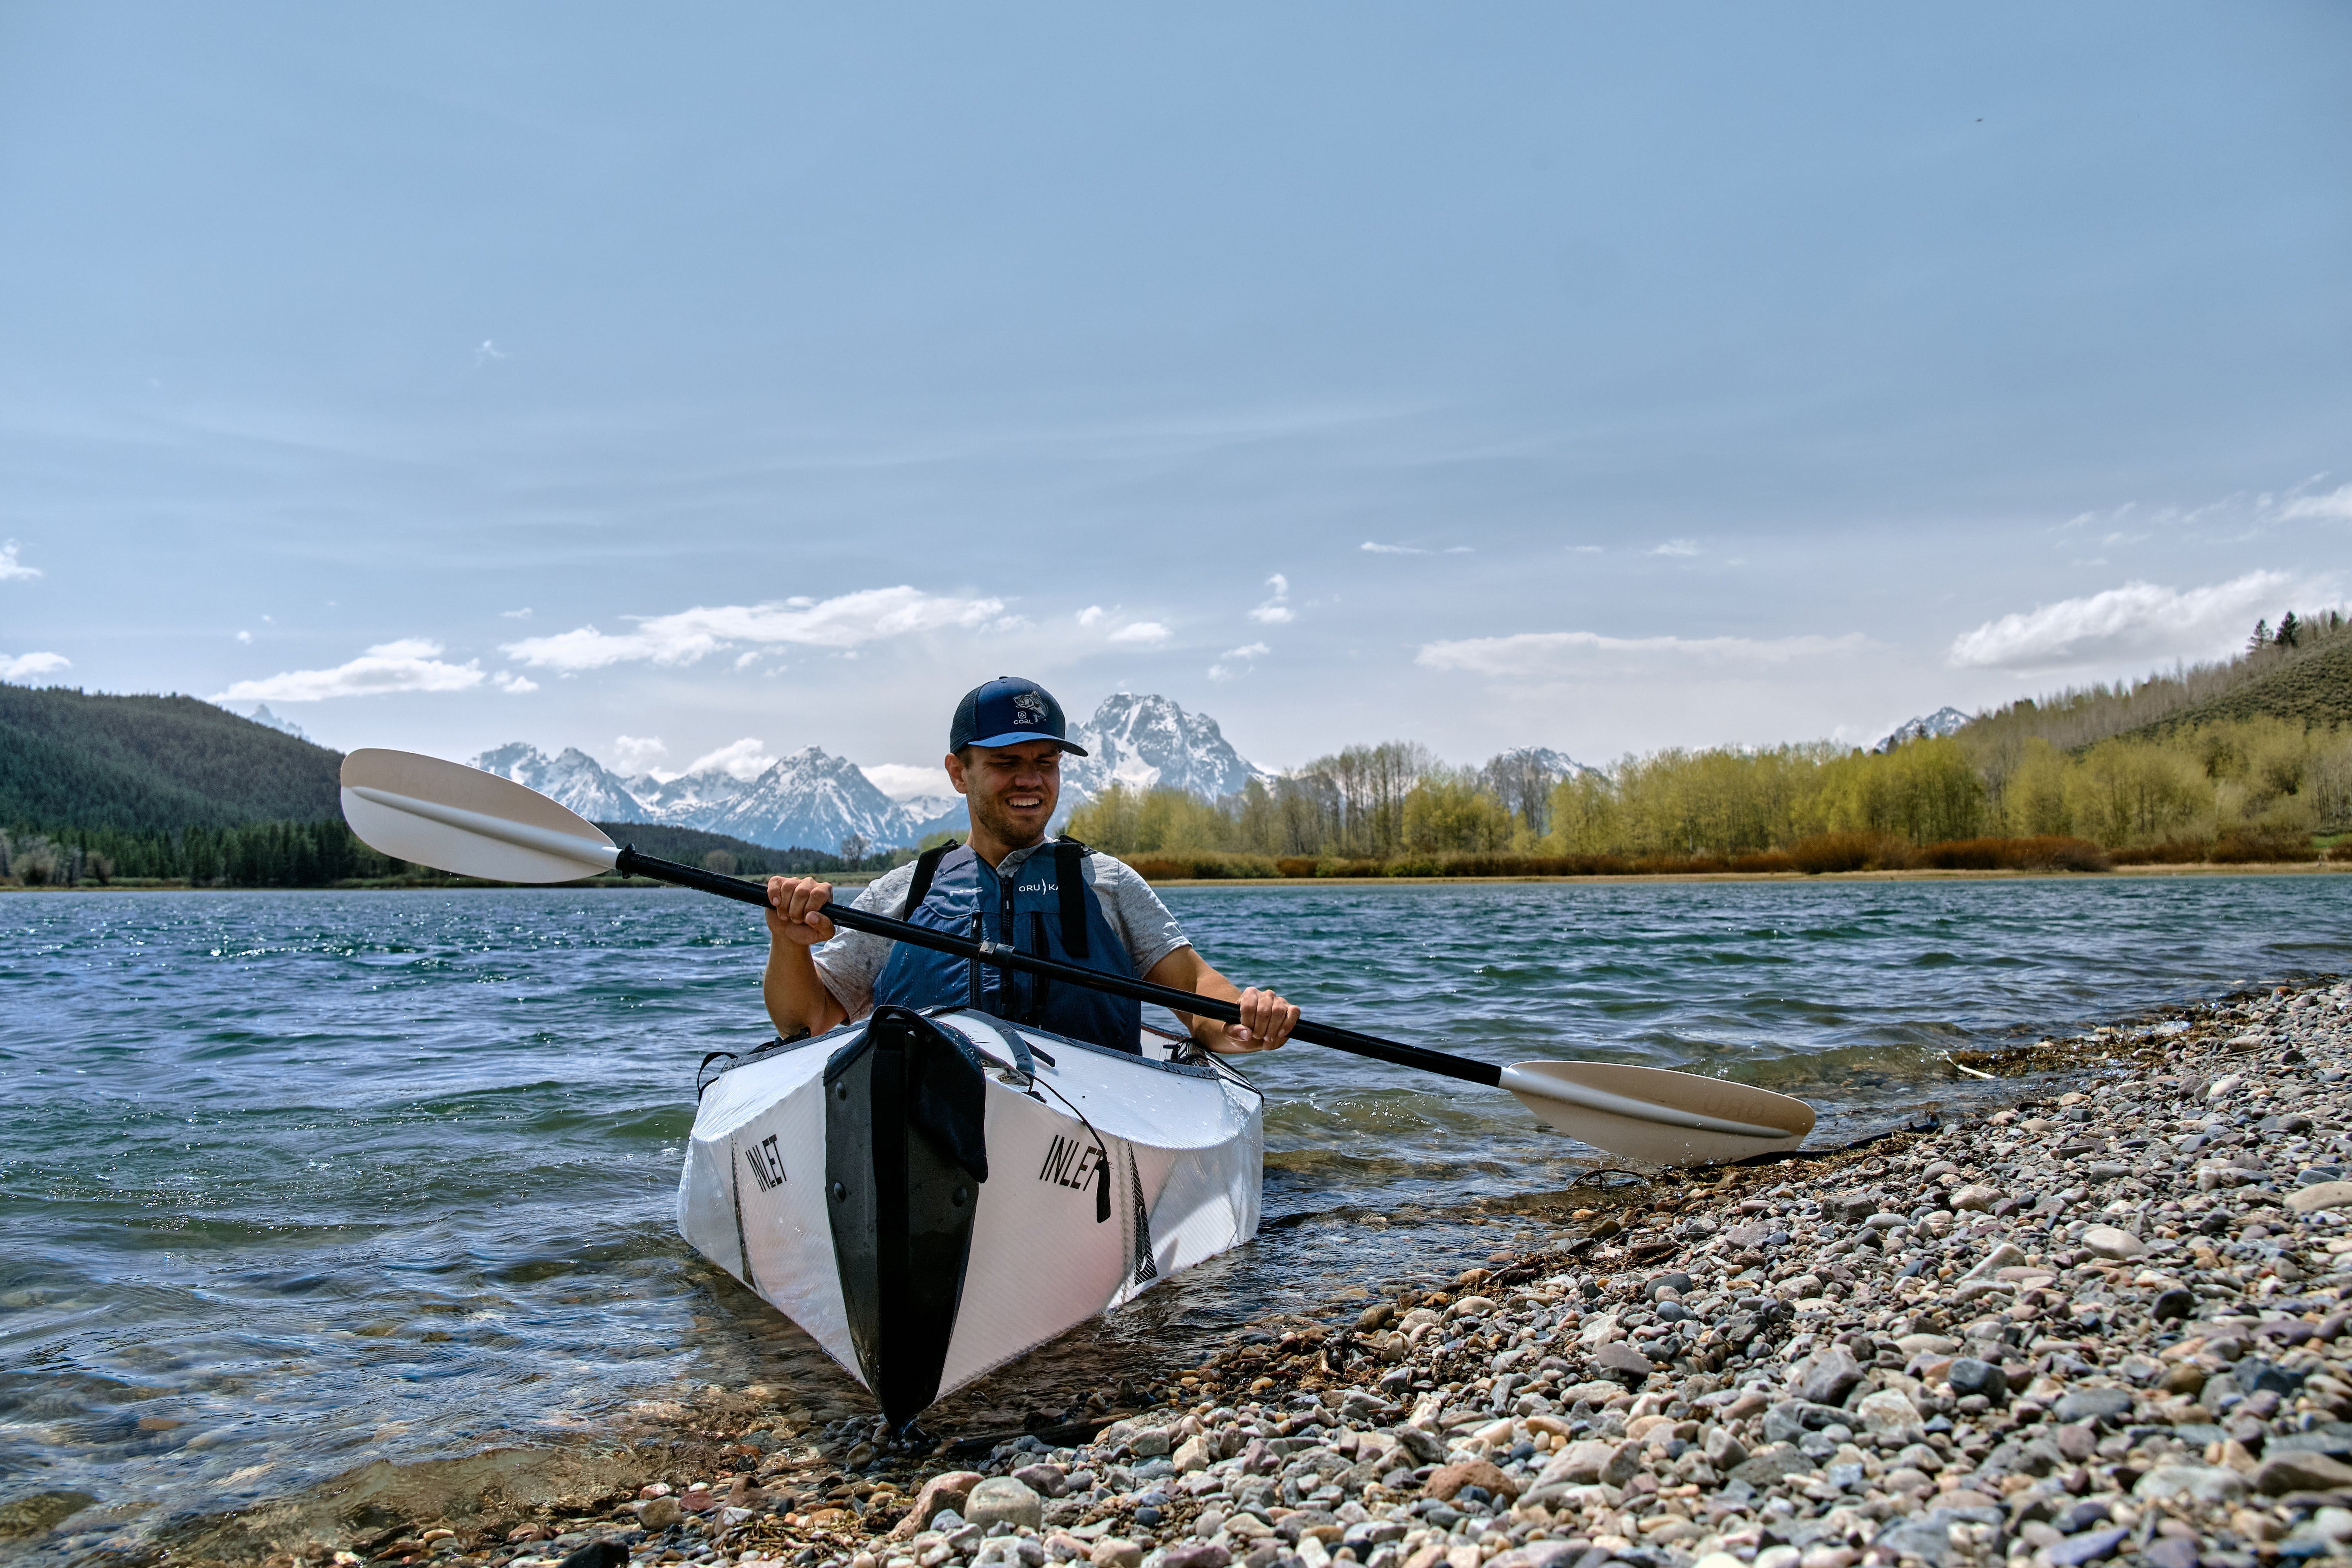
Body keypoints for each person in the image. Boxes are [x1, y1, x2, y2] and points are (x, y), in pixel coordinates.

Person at [762, 675, 1300, 1056]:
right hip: (932, 1117)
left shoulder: (1106, 883)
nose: (1030, 780)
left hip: (1095, 1121)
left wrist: (1244, 1017)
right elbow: (806, 1021)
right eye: (1006, 764)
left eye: (1045, 764)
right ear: (958, 772)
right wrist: (789, 942)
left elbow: (1198, 989)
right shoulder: (906, 892)